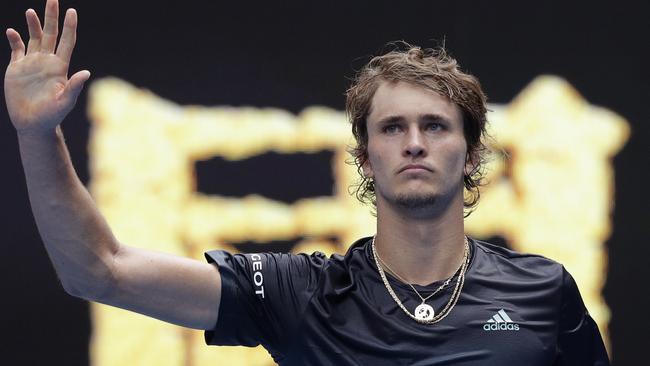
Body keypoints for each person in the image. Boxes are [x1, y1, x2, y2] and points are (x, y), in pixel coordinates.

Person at [5, 1, 609, 365]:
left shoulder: (543, 292)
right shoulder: (300, 293)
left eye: (436, 126)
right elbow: (98, 269)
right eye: (392, 128)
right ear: (364, 158)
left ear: (474, 153)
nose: (415, 143)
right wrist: (38, 136)